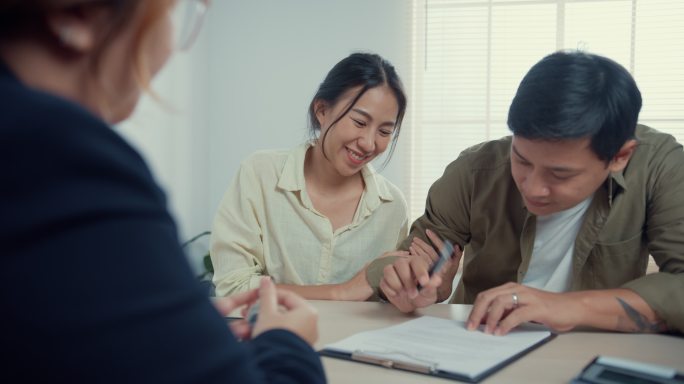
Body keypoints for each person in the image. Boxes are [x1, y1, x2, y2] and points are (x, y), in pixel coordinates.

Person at [0, 1, 325, 383]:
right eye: (174, 11)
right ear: (77, 14)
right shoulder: (65, 161)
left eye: (387, 129)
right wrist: (288, 343)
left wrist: (170, 330)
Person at [366, 50, 684, 335]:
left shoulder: (660, 168)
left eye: (560, 173)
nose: (532, 187)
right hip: (479, 341)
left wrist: (569, 307)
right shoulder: (475, 171)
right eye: (521, 160)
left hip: (593, 347)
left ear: (620, 156)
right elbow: (409, 260)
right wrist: (408, 284)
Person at [210, 52, 409, 300]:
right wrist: (341, 292)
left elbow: (391, 301)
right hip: (275, 336)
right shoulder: (260, 174)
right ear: (322, 110)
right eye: (359, 122)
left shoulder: (392, 207)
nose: (369, 143)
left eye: (384, 131)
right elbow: (233, 288)